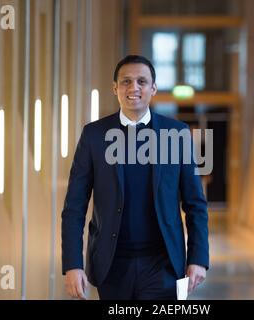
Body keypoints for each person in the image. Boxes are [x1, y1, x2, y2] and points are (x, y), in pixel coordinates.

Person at [61, 55, 209, 300]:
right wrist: (72, 264)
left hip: (163, 266)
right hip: (111, 265)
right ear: (115, 88)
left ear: (153, 88)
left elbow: (195, 204)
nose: (134, 88)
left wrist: (198, 258)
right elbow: (74, 207)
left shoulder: (178, 134)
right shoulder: (94, 136)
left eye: (142, 81)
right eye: (126, 81)